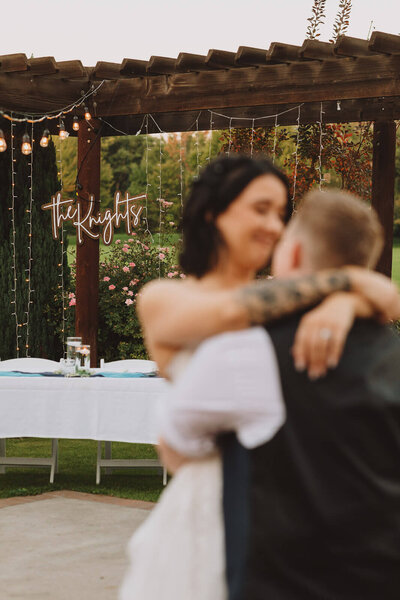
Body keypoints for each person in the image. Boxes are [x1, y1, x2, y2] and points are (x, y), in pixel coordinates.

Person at [119, 156, 400, 600]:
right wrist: (346, 284)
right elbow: (234, 312)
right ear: (215, 212)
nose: (273, 224)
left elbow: (390, 300)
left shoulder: (290, 298)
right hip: (207, 490)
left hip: (284, 504)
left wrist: (344, 304)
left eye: (281, 213)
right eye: (261, 208)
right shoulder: (166, 297)